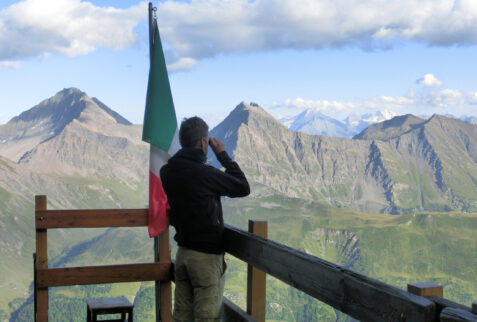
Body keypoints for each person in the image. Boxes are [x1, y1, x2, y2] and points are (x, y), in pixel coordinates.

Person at [160, 116, 250, 321]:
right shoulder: (204, 173)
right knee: (206, 317)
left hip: (183, 254)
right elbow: (243, 187)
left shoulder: (167, 172)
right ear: (203, 142)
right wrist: (223, 155)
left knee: (181, 315)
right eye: (207, 140)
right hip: (206, 258)